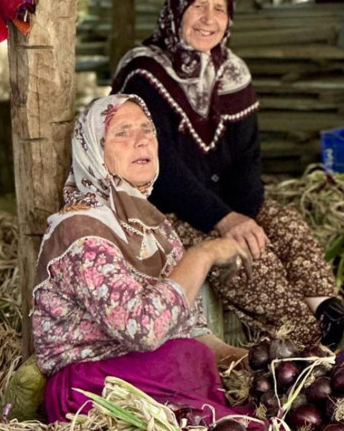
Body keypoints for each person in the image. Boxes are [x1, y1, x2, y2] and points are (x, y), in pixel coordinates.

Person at [111, 0, 344, 352]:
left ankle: (331, 315)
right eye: (198, 6)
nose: (209, 19)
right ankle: (314, 343)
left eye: (220, 9)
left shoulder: (232, 72)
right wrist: (226, 221)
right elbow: (164, 172)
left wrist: (245, 214)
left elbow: (247, 157)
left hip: (223, 205)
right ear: (176, 11)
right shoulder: (145, 75)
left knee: (285, 225)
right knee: (249, 256)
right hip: (162, 211)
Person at [32, 94, 260, 427]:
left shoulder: (155, 229)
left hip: (159, 378)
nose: (141, 141)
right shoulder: (80, 230)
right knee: (187, 359)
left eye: (147, 130)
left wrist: (250, 362)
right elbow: (144, 331)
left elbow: (192, 332)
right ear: (94, 150)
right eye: (122, 133)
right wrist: (203, 254)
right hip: (95, 392)